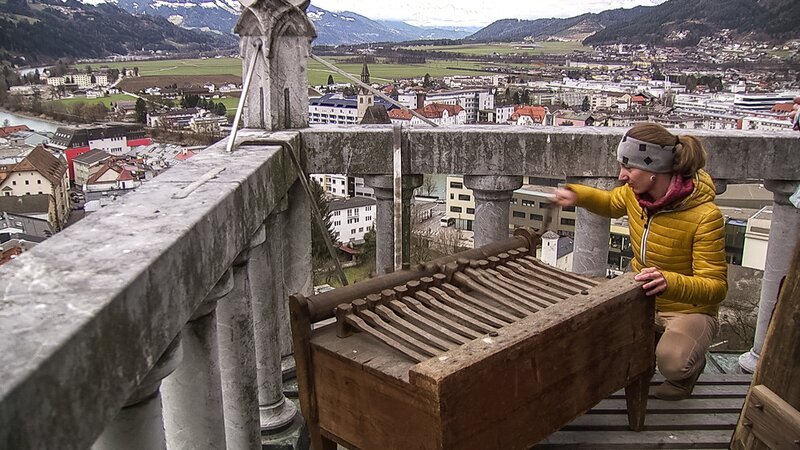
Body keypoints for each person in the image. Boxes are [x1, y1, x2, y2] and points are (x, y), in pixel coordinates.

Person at [553, 122, 728, 401]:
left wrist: (669, 282)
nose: (622, 176)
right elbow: (610, 203)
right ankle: (654, 340)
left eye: (629, 168)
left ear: (655, 171)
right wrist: (578, 195)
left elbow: (716, 287)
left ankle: (687, 371)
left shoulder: (706, 216)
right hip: (641, 294)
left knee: (672, 361)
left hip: (687, 309)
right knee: (590, 336)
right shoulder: (637, 195)